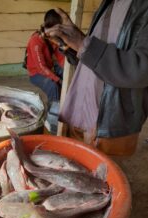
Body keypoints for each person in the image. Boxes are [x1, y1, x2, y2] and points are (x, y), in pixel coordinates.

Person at [45, 1, 148, 156]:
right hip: (78, 114)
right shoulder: (107, 4)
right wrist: (69, 44)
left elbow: (141, 70)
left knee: (102, 177)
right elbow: (93, 58)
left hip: (108, 127)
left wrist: (82, 42)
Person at [25, 9, 65, 134]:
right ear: (52, 26)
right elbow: (41, 67)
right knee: (53, 86)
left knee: (68, 76)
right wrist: (58, 79)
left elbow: (61, 57)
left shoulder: (53, 37)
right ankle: (52, 121)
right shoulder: (36, 40)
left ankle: (65, 111)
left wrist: (67, 72)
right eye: (59, 27)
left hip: (49, 68)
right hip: (36, 73)